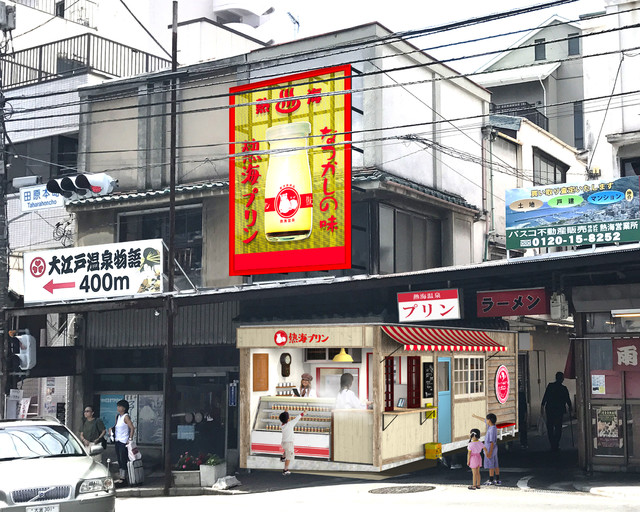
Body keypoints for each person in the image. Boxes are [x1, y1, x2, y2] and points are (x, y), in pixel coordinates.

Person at [541, 371, 572, 451]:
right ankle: (556, 443)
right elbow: (568, 399)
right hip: (559, 410)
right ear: (562, 379)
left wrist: (542, 406)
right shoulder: (563, 388)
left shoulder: (550, 386)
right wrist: (570, 408)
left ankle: (552, 443)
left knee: (550, 427)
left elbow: (545, 397)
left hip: (550, 410)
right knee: (558, 428)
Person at [109, 399, 135, 484]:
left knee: (123, 459)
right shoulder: (118, 416)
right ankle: (121, 476)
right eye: (118, 406)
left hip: (123, 441)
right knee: (119, 459)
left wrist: (130, 439)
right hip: (117, 440)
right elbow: (116, 426)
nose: (118, 408)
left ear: (124, 408)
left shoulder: (126, 417)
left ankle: (124, 477)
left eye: (119, 406)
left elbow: (132, 428)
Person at [473, 413, 501, 485]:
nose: (486, 420)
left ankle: (491, 480)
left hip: (490, 449)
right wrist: (475, 416)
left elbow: (492, 442)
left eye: (487, 419)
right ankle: (498, 479)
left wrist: (489, 453)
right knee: (496, 464)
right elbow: (484, 420)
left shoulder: (491, 430)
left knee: (491, 465)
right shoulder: (493, 427)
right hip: (494, 449)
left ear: (489, 420)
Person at [279, 409, 305, 475]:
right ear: (288, 419)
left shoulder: (282, 425)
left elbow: (284, 417)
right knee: (289, 457)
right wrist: (303, 413)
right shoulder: (290, 424)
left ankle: (282, 458)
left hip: (284, 442)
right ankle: (285, 470)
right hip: (289, 443)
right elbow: (297, 418)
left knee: (286, 450)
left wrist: (285, 412)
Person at [518, 380, 528, 449]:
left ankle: (509, 444)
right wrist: (526, 414)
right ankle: (524, 443)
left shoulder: (511, 395)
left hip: (515, 414)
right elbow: (525, 406)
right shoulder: (522, 394)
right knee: (523, 430)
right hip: (521, 413)